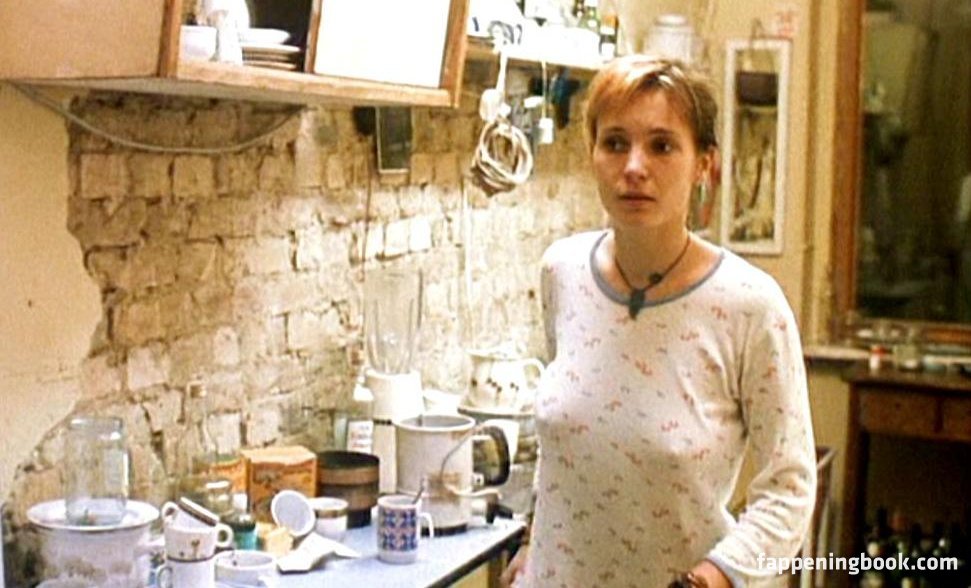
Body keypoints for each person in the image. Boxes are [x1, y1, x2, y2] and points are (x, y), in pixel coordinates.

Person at [501, 56, 817, 587]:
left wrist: (712, 578)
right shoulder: (563, 272)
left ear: (704, 165)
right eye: (615, 143)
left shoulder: (750, 307)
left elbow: (789, 489)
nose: (634, 167)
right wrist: (535, 543)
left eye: (662, 146)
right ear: (592, 153)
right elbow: (568, 448)